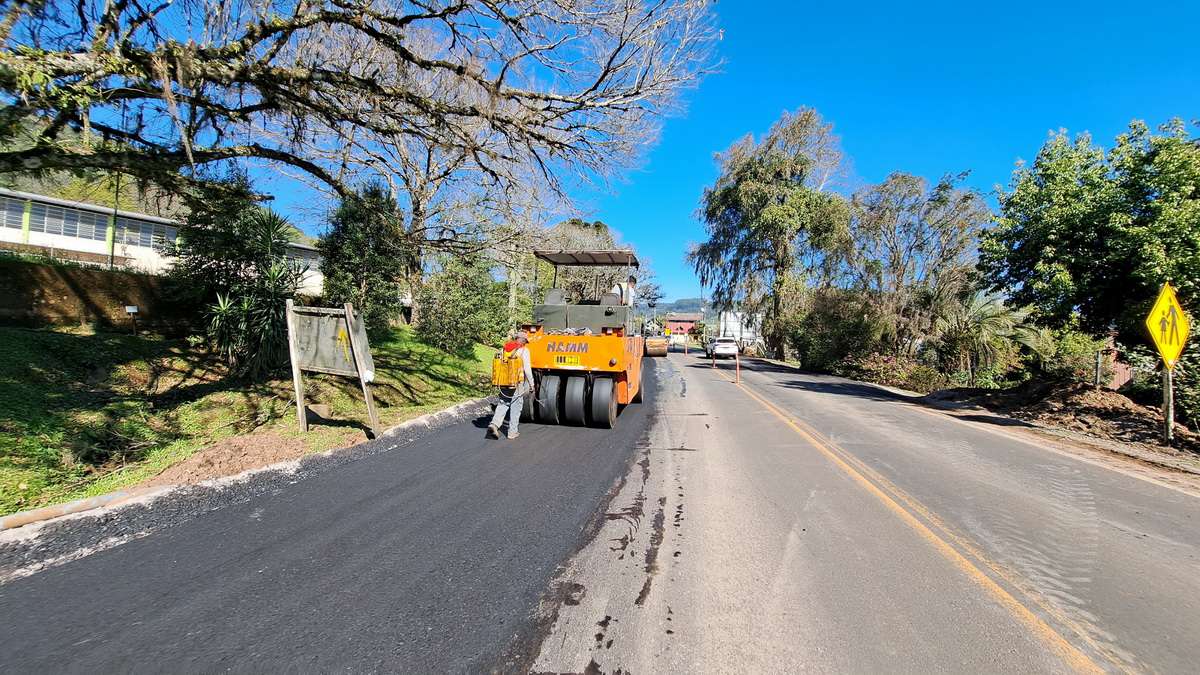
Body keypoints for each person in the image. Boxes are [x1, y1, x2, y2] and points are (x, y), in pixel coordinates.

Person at [488, 331, 535, 440]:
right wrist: (532, 384)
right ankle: (512, 432)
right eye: (525, 341)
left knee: (503, 403)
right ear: (523, 340)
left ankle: (494, 424)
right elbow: (527, 370)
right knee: (516, 406)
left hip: (503, 381)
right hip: (517, 382)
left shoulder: (505, 348)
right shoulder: (524, 350)